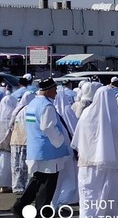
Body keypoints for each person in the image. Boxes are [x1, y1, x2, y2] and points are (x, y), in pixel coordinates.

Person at [11, 78, 72, 218]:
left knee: (37, 179)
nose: (56, 93)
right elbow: (47, 127)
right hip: (49, 151)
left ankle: (20, 206)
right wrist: (61, 141)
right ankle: (42, 212)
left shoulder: (33, 103)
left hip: (36, 148)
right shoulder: (47, 106)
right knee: (47, 184)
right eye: (55, 90)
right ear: (49, 90)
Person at [72, 85, 118, 218]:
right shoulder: (116, 116)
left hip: (88, 165)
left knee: (89, 197)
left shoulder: (86, 114)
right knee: (111, 197)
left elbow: (79, 137)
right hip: (113, 166)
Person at [10, 91, 34, 194]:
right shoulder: (31, 110)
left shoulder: (17, 110)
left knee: (16, 165)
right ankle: (26, 187)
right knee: (27, 166)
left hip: (16, 140)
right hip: (27, 141)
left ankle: (16, 186)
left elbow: (11, 124)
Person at [0, 93, 17, 193]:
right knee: (7, 166)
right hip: (8, 148)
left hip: (1, 148)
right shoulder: (12, 115)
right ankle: (6, 185)